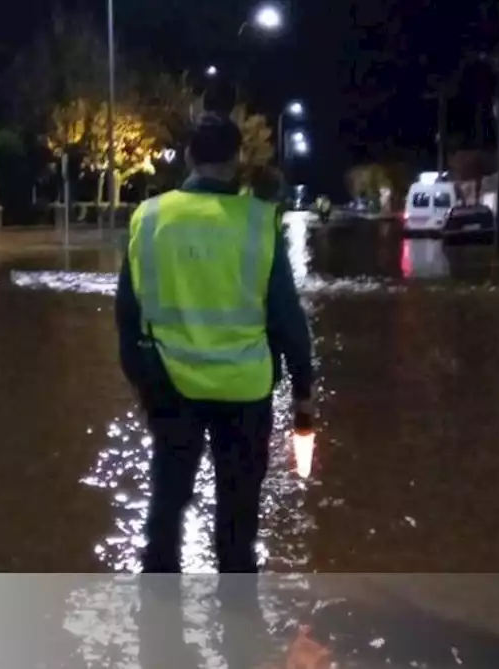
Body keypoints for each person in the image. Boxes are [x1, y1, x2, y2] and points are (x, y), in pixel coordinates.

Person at [115, 114, 314, 574]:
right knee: (238, 522)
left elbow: (127, 314)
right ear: (238, 159)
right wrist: (304, 389)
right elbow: (287, 319)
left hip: (170, 388)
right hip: (244, 394)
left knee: (165, 511)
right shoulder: (260, 223)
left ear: (188, 157)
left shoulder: (149, 217)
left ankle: (158, 629)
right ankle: (240, 629)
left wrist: (142, 382)